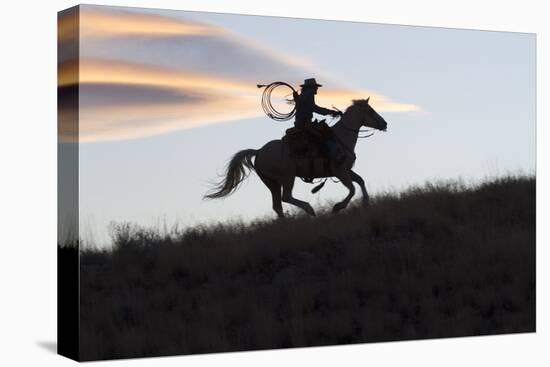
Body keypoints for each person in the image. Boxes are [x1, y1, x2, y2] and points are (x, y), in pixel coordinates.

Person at [292, 78, 345, 162]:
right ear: (311, 88)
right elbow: (315, 109)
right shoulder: (308, 95)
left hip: (301, 122)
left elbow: (309, 108)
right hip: (305, 124)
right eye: (315, 87)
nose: (316, 89)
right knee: (326, 133)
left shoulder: (303, 95)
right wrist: (331, 112)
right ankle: (333, 156)